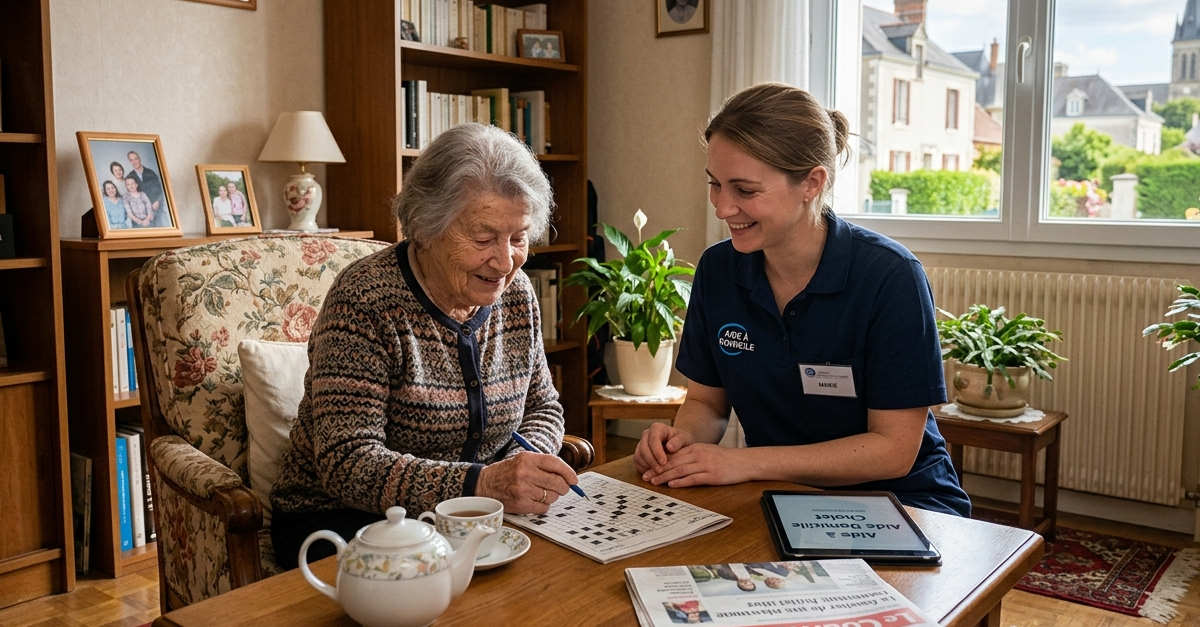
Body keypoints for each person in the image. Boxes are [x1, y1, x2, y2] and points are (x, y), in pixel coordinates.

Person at [634, 83, 970, 518]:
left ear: (812, 182)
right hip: (777, 494)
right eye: (715, 185)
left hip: (902, 502)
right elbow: (706, 403)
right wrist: (681, 443)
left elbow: (893, 450)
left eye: (745, 190)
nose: (722, 208)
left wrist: (742, 463)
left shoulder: (890, 276)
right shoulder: (718, 271)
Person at [271, 123, 576, 569]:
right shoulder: (365, 300)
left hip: (476, 520)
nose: (506, 260)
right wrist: (483, 483)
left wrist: (521, 461)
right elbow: (347, 463)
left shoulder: (517, 293)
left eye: (519, 237)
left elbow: (543, 406)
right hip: (347, 527)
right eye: (484, 238)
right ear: (424, 226)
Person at [126, 150, 168, 226]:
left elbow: (159, 189)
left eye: (136, 158)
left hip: (156, 208)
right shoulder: (130, 176)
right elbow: (131, 195)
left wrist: (157, 201)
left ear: (139, 159)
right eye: (131, 160)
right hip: (142, 214)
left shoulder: (150, 172)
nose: (134, 162)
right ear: (129, 162)